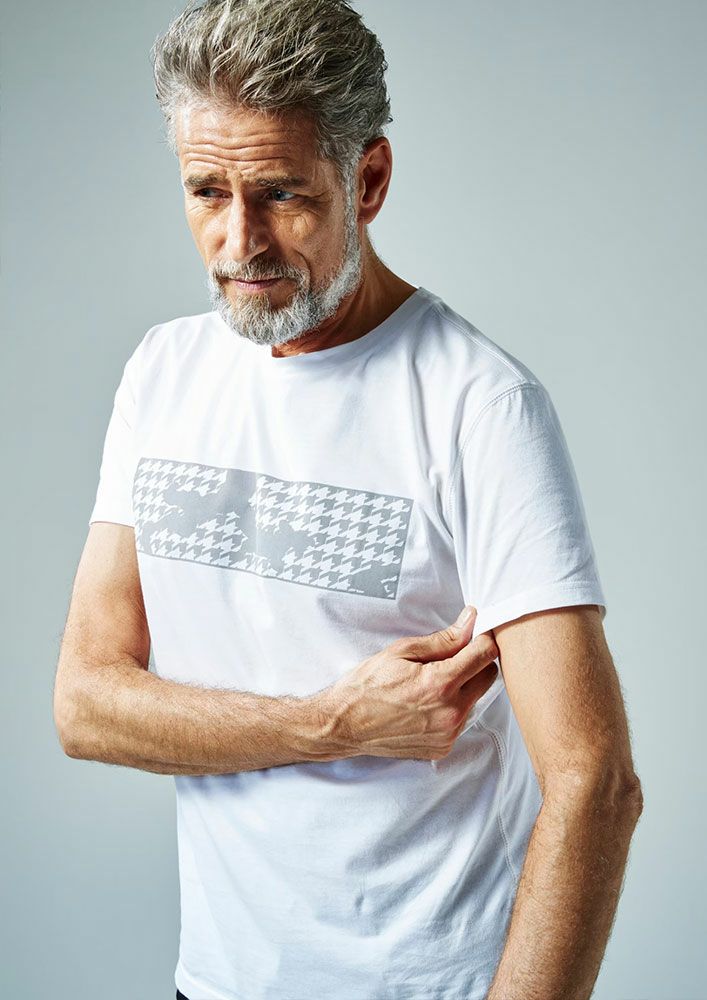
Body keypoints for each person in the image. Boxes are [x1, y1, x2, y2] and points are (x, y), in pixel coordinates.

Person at [53, 1, 643, 998]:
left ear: (366, 181)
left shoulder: (476, 404)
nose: (238, 242)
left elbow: (594, 784)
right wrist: (328, 724)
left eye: (281, 194)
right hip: (215, 980)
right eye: (206, 191)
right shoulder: (163, 372)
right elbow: (85, 703)